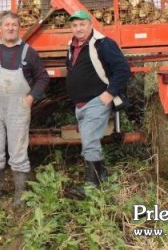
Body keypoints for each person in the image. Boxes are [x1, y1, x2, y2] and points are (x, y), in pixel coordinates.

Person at [0, 11, 49, 207]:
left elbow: (43, 77)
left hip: (18, 108)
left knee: (18, 150)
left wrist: (31, 97)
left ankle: (20, 194)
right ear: (0, 27)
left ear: (19, 28)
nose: (11, 28)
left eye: (14, 25)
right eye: (7, 24)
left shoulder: (28, 52)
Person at [64, 10, 130, 197]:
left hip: (96, 101)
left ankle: (91, 187)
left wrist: (110, 93)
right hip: (81, 104)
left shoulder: (103, 44)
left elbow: (123, 69)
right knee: (89, 139)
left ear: (90, 25)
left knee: (90, 141)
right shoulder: (71, 46)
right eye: (74, 25)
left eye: (82, 24)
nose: (78, 28)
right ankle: (101, 175)